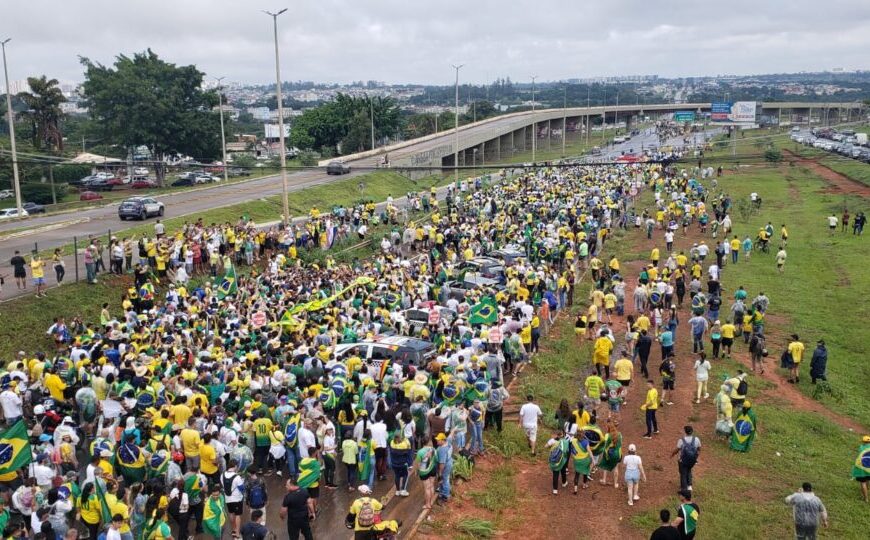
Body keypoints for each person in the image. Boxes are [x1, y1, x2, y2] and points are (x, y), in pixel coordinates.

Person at [671, 426, 701, 492]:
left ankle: (684, 489)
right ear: (692, 431)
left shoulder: (681, 440)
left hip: (682, 460)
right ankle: (689, 486)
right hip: (692, 460)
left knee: (683, 473)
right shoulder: (696, 439)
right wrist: (695, 457)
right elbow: (699, 449)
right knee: (689, 470)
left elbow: (677, 450)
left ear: (685, 432)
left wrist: (672, 454)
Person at [435, 432, 453, 503]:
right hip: (449, 462)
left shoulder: (442, 450)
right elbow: (451, 435)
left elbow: (442, 464)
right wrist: (454, 429)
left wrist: (440, 473)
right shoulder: (448, 442)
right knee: (446, 478)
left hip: (445, 466)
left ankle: (445, 496)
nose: (437, 441)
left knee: (443, 480)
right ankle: (445, 491)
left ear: (442, 440)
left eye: (438, 440)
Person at [851, 434, 870, 502]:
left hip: (861, 468)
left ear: (863, 442)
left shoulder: (861, 447)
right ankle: (868, 488)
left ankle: (866, 499)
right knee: (868, 477)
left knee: (863, 482)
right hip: (869, 468)